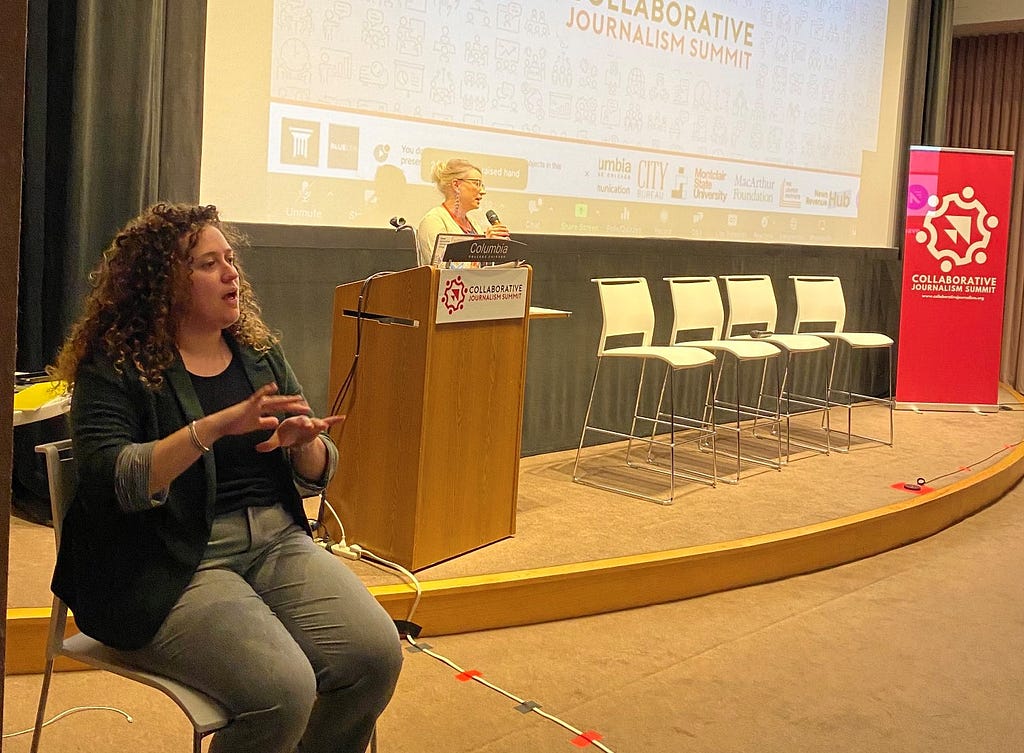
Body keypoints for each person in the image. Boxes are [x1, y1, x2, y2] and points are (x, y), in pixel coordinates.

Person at [48, 203, 403, 753]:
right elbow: (109, 480)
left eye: (230, 260)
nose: (231, 274)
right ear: (161, 284)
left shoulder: (257, 352)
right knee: (283, 689)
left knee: (374, 656)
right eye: (208, 264)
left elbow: (318, 469)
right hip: (166, 558)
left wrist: (305, 444)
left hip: (276, 539)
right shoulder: (115, 364)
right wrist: (208, 429)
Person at [416, 157, 510, 266]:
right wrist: (482, 248)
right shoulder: (433, 221)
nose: (483, 191)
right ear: (456, 185)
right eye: (476, 183)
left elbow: (480, 270)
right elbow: (441, 270)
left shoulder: (473, 224)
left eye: (482, 185)